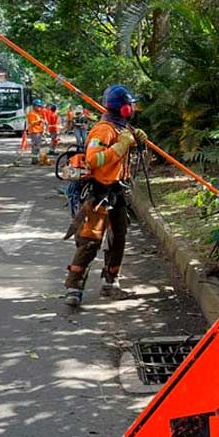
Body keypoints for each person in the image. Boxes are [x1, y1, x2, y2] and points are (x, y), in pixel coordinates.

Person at [63, 84, 147, 307]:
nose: (133, 108)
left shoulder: (122, 128)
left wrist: (138, 141)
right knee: (90, 241)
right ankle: (74, 287)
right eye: (130, 105)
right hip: (99, 192)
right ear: (123, 108)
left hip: (117, 191)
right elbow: (94, 159)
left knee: (118, 238)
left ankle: (110, 283)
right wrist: (120, 146)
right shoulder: (104, 130)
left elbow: (128, 151)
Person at [26, 99, 46, 164]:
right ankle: (34, 160)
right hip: (34, 132)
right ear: (34, 106)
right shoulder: (31, 114)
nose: (39, 107)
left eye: (40, 106)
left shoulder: (38, 114)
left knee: (37, 146)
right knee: (35, 146)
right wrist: (39, 121)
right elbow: (32, 123)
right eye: (38, 106)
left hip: (39, 131)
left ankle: (36, 159)